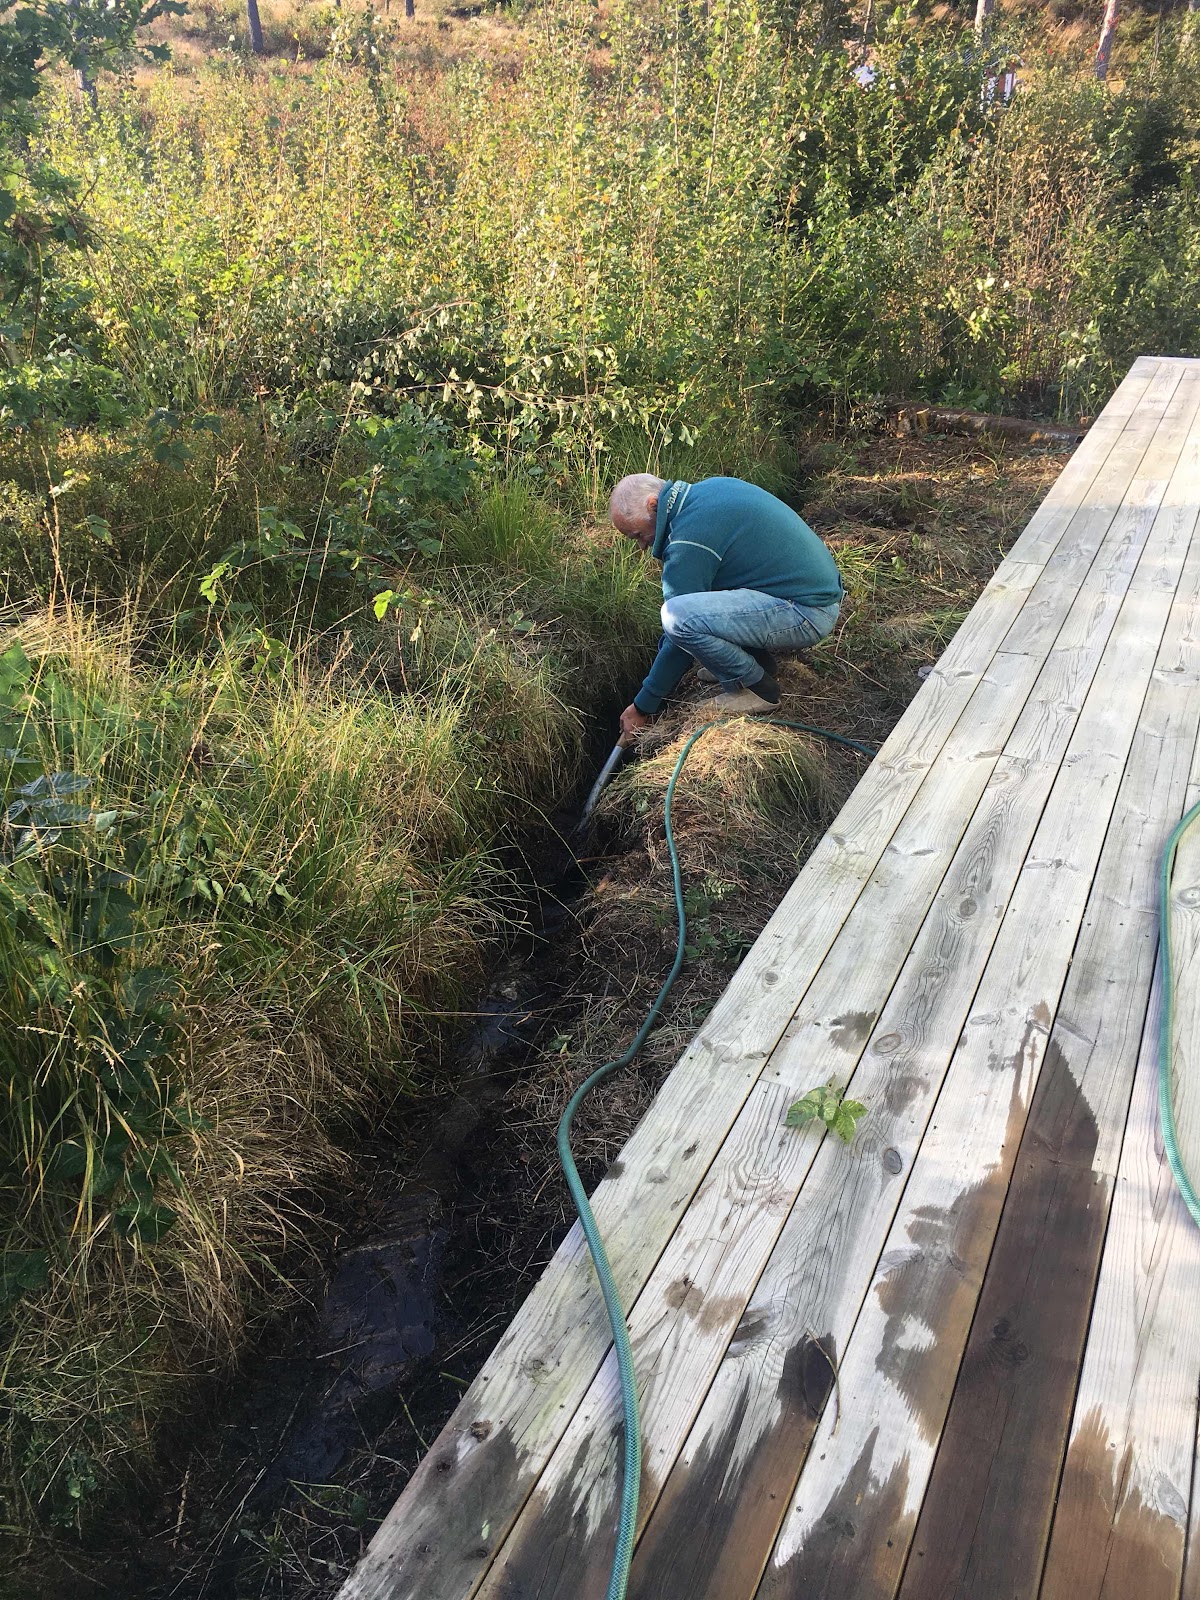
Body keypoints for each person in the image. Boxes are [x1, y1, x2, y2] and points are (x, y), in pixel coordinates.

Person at [609, 473, 844, 743]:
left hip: (806, 612)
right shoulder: (708, 491)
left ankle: (756, 688)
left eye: (638, 534)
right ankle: (757, 663)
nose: (641, 545)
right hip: (814, 596)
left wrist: (643, 705)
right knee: (694, 607)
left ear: (654, 505)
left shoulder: (688, 540)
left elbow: (678, 630)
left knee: (676, 618)